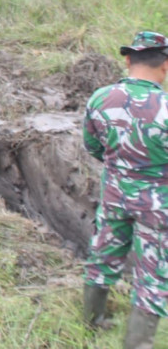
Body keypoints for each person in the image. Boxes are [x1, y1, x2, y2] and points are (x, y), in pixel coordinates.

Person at [81, 31, 168, 347]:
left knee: (103, 255)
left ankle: (91, 323)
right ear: (165, 65)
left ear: (128, 59)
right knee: (153, 277)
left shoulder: (101, 98)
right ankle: (137, 343)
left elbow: (92, 145)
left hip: (115, 195)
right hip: (158, 206)